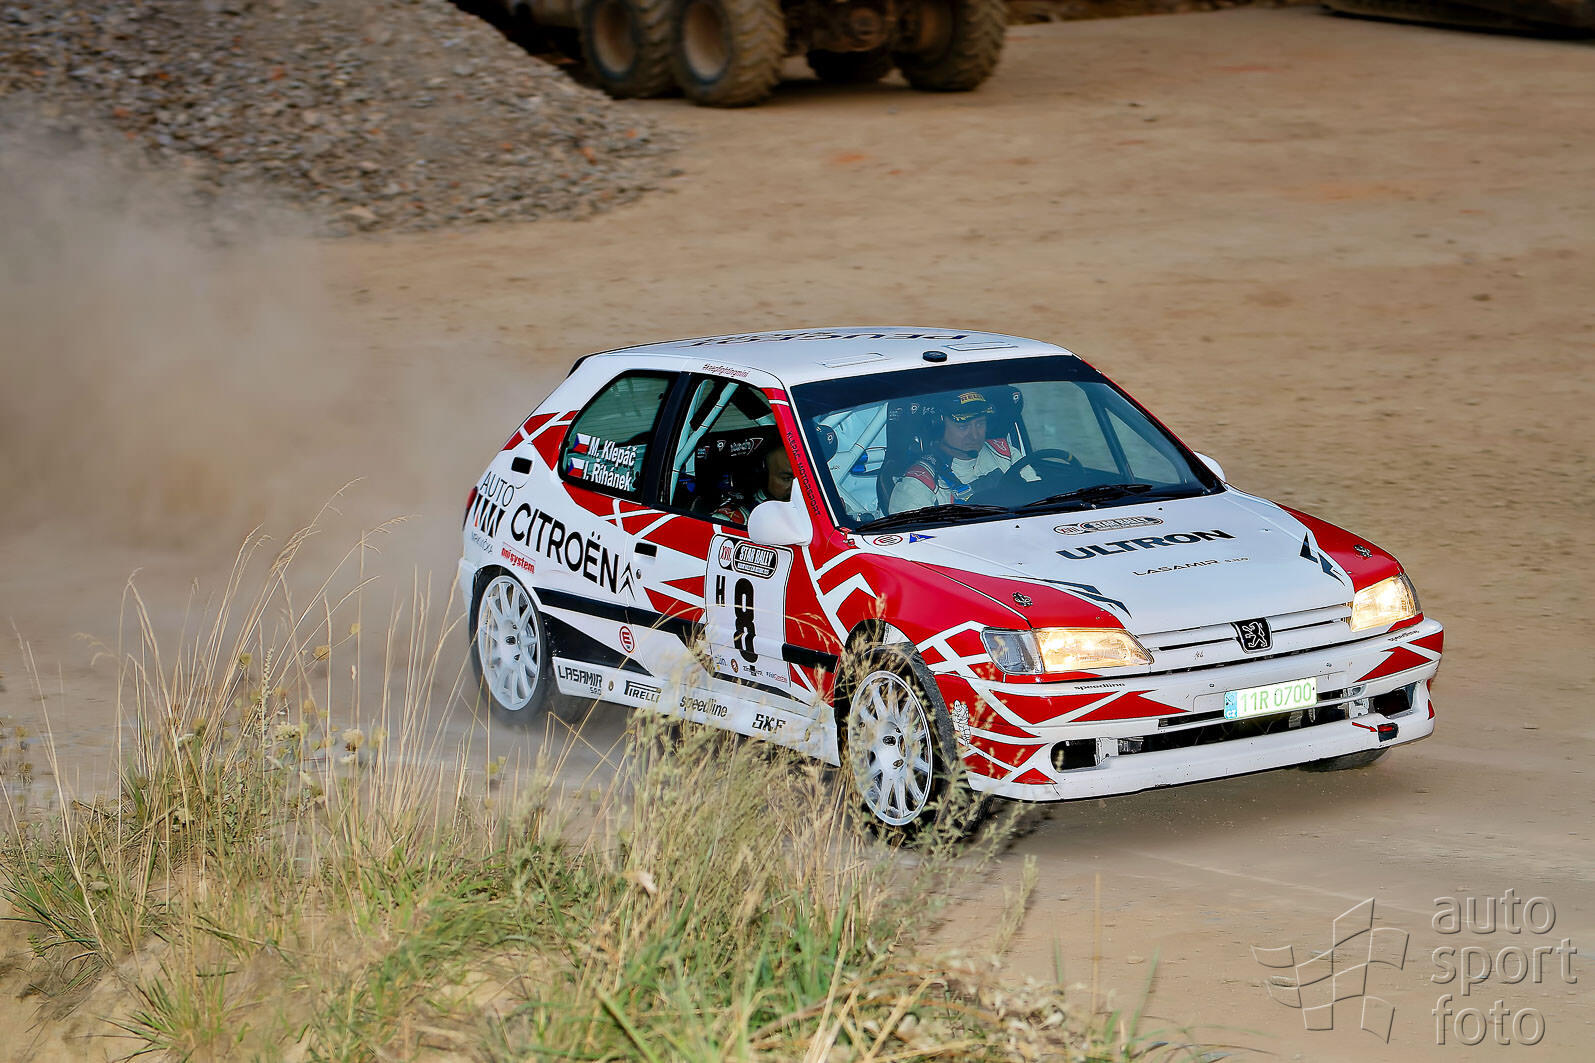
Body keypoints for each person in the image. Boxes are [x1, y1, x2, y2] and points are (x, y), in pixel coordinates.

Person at [888, 390, 1014, 513]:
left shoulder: (1005, 453)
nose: (975, 435)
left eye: (980, 424)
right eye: (963, 426)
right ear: (939, 429)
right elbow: (912, 528)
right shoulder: (918, 484)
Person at [713, 446, 794, 524]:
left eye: (799, 478)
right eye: (787, 478)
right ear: (764, 476)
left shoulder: (799, 508)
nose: (796, 486)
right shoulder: (734, 518)